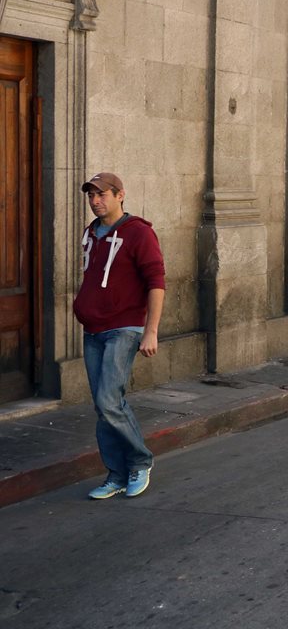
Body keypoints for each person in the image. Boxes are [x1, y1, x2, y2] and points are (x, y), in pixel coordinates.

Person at [74, 172, 165, 500]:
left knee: (109, 399)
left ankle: (140, 461)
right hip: (93, 330)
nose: (95, 201)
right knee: (104, 406)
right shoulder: (91, 233)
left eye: (102, 195)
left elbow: (156, 282)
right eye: (91, 196)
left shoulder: (138, 233)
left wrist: (151, 331)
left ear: (120, 195)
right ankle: (116, 474)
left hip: (124, 328)